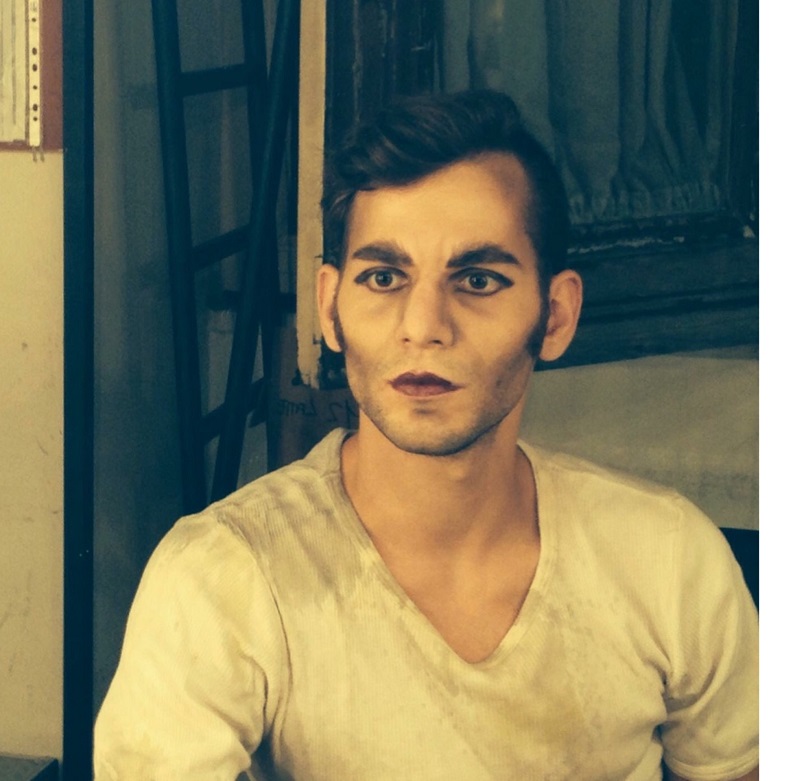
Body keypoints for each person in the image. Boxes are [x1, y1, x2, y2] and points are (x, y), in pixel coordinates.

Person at [94, 90, 759, 780]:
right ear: (330, 306)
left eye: (478, 279)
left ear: (556, 316)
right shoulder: (223, 577)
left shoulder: (666, 557)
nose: (423, 326)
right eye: (384, 277)